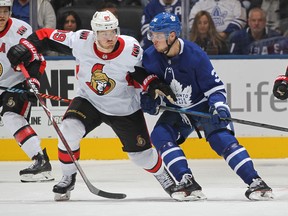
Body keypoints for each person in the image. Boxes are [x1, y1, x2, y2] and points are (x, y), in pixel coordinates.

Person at [7, 10, 199, 201]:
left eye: (112, 31)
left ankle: (165, 179)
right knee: (68, 131)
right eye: (104, 33)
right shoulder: (81, 40)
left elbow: (141, 73)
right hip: (89, 101)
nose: (110, 37)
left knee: (141, 155)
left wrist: (153, 86)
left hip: (123, 108)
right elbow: (45, 36)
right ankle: (68, 177)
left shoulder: (130, 48)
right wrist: (27, 47)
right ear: (94, 33)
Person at [140, 11, 274, 200]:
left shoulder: (195, 55)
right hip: (178, 110)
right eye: (152, 34)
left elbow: (215, 89)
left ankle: (256, 182)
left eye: (158, 35)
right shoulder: (150, 57)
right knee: (160, 135)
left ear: (172, 35)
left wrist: (219, 108)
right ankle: (187, 182)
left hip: (201, 107)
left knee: (221, 139)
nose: (154, 39)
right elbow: (148, 82)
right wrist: (149, 99)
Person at [0, 0, 53, 182]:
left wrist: (33, 81)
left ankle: (41, 161)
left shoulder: (21, 30)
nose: (1, 14)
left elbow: (38, 60)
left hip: (16, 84)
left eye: (5, 10)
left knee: (11, 116)